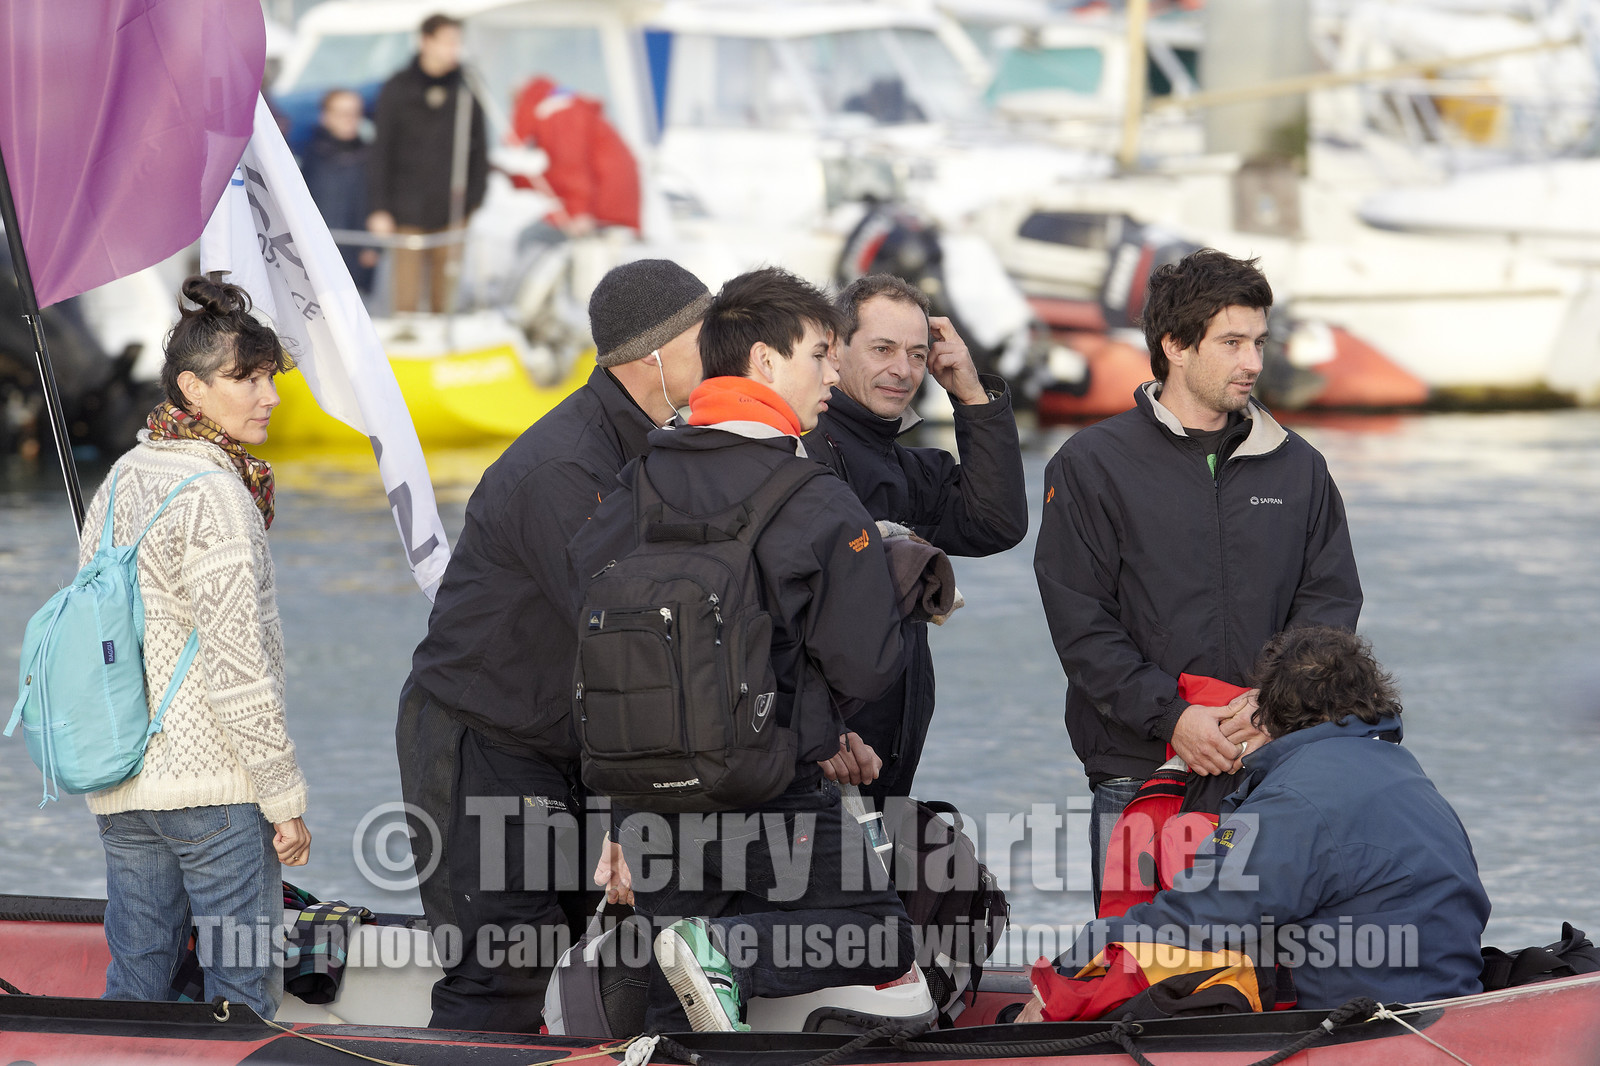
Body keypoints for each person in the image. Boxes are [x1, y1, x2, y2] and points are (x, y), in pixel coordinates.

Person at [573, 267, 916, 1033]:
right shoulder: (815, 493)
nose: (833, 374)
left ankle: (708, 960)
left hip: (644, 786)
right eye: (820, 355)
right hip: (766, 785)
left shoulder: (642, 474)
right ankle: (724, 947)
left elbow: (584, 599)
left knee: (678, 996)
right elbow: (868, 663)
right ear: (765, 362)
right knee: (874, 930)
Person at [397, 259, 711, 1032]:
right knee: (502, 967)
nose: (728, 353)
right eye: (711, 340)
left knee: (574, 941)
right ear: (653, 360)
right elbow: (627, 640)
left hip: (564, 743)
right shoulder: (568, 465)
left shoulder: (656, 443)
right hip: (482, 736)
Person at [1033, 248, 1362, 906]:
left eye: (1260, 342)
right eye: (1233, 342)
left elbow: (1329, 608)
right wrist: (1175, 719)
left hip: (1269, 767)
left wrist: (1272, 710)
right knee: (1135, 972)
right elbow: (1082, 625)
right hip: (1140, 770)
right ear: (1175, 344)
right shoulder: (1091, 465)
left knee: (1268, 976)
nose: (1253, 362)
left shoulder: (1300, 469)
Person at [1048, 626, 1491, 1011]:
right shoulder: (1403, 770)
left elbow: (1202, 915)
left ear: (1271, 713)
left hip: (1360, 1017)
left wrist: (1076, 959)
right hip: (1447, 994)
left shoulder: (1296, 798)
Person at [87, 276, 311, 1018]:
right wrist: (284, 800)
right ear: (192, 386)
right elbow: (237, 667)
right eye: (243, 379)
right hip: (212, 785)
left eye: (269, 377)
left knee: (136, 986)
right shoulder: (217, 493)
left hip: (122, 781)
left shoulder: (122, 476)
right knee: (243, 996)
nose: (267, 395)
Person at [804, 274, 1027, 800]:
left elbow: (995, 521)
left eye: (918, 355)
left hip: (885, 759)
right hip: (826, 762)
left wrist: (971, 393)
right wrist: (819, 729)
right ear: (835, 348)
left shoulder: (903, 465)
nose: (902, 370)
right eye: (883, 348)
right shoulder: (805, 451)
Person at [366, 13, 488, 313]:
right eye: (447, 42)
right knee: (405, 299)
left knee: (445, 300)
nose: (453, 49)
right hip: (405, 210)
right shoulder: (397, 88)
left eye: (456, 42)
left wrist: (473, 202)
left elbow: (479, 150)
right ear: (425, 42)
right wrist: (379, 207)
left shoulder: (465, 89)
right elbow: (380, 150)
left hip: (452, 211)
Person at [509, 75, 641, 238]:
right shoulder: (566, 106)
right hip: (613, 205)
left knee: (529, 238)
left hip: (600, 210)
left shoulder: (557, 111)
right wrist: (515, 178)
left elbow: (572, 167)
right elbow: (561, 174)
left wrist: (580, 214)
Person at [301, 88, 377, 293]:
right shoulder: (308, 157)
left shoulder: (370, 157)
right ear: (326, 116)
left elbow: (373, 205)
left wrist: (372, 245)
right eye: (342, 113)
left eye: (355, 113)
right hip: (316, 252)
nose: (350, 120)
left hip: (357, 254)